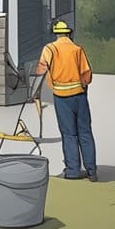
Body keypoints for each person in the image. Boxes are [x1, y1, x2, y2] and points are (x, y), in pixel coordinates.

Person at [34, 20, 96, 181]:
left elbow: (40, 69)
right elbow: (87, 75)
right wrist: (82, 85)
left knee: (69, 134)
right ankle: (92, 171)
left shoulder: (50, 49)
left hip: (61, 97)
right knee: (85, 132)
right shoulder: (77, 49)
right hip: (79, 95)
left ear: (56, 33)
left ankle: (73, 171)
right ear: (69, 33)